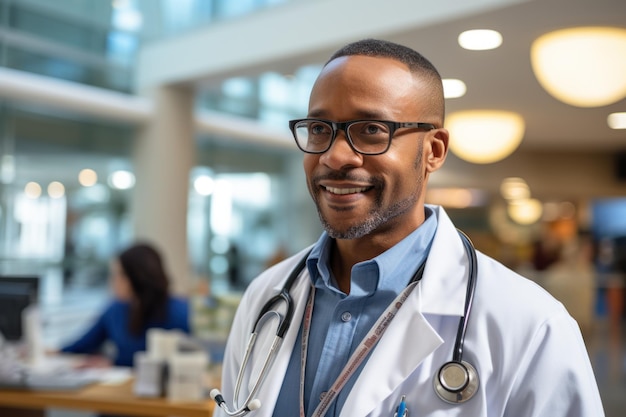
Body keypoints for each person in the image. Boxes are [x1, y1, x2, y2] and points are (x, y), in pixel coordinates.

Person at [213, 39, 604, 416]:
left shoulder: (530, 325)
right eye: (319, 128)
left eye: (371, 130)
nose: (334, 156)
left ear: (433, 151)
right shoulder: (267, 297)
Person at [60, 242, 190, 367]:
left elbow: (194, 360)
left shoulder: (179, 312)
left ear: (138, 277)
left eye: (119, 275)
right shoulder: (115, 310)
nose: (113, 281)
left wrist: (112, 363)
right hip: (124, 386)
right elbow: (81, 346)